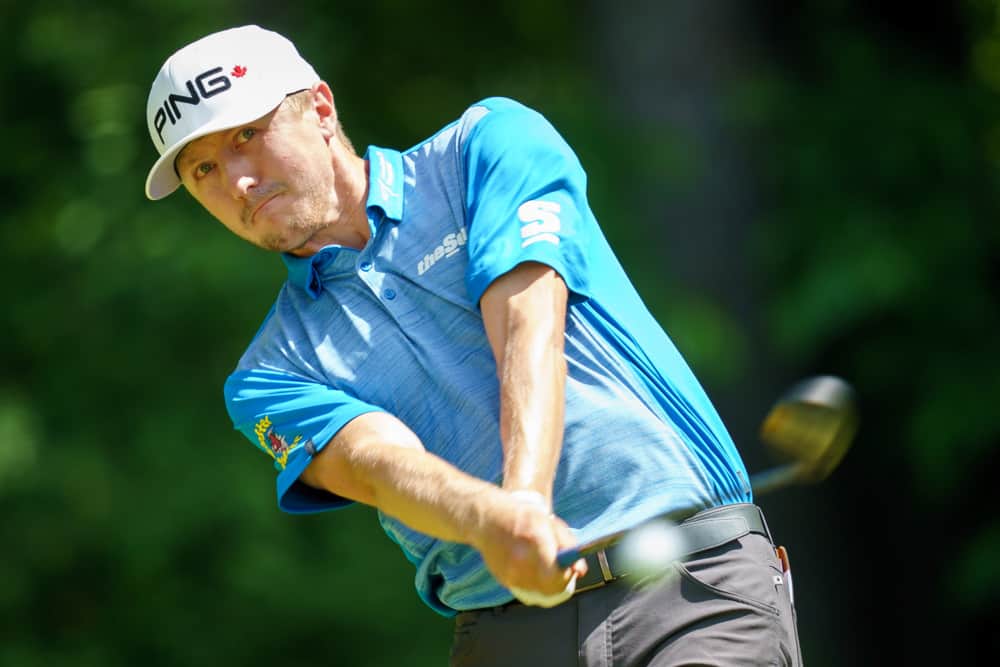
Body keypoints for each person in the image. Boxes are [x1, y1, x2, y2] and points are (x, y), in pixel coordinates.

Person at [144, 24, 802, 666]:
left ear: (319, 107)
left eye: (247, 136)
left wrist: (522, 501)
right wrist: (490, 519)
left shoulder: (485, 145)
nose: (236, 182)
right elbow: (375, 462)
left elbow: (526, 325)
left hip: (692, 584)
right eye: (203, 168)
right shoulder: (266, 373)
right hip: (506, 633)